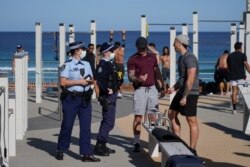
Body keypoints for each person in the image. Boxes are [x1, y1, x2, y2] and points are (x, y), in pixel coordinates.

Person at [56, 41, 100, 162]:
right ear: (76, 51)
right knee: (67, 125)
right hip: (71, 99)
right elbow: (63, 82)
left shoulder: (86, 64)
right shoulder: (67, 64)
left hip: (85, 98)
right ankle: (61, 149)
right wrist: (79, 82)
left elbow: (91, 79)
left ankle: (86, 154)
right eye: (81, 49)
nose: (83, 51)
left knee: (86, 127)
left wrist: (91, 83)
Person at [127, 37, 165, 152]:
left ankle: (154, 143)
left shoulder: (152, 57)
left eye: (144, 48)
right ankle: (137, 142)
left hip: (152, 89)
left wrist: (162, 86)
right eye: (140, 49)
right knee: (138, 117)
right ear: (137, 47)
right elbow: (130, 76)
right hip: (140, 90)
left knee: (153, 116)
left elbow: (156, 72)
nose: (142, 51)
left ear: (146, 47)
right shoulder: (132, 59)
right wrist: (139, 79)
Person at [166, 34, 199, 156]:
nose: (173, 45)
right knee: (171, 114)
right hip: (182, 91)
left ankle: (192, 150)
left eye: (174, 42)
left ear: (180, 43)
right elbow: (182, 78)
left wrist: (185, 96)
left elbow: (191, 78)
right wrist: (173, 88)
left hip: (190, 92)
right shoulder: (181, 58)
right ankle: (177, 142)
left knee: (191, 120)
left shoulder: (189, 58)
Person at [94, 42, 120, 156]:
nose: (113, 52)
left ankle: (102, 144)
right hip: (108, 96)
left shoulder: (109, 63)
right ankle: (99, 146)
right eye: (111, 51)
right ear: (105, 52)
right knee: (108, 122)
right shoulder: (103, 64)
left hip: (112, 95)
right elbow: (98, 80)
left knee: (108, 121)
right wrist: (106, 90)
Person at [227, 42, 250, 114]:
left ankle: (234, 109)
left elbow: (228, 66)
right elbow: (246, 65)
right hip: (241, 77)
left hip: (233, 76)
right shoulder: (243, 55)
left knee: (234, 92)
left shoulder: (230, 56)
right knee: (244, 93)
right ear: (240, 47)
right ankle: (245, 109)